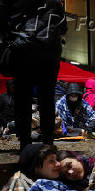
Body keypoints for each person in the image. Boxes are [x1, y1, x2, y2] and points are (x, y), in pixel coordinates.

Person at [0, 0, 67, 151]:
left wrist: (10, 41)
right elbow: (63, 27)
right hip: (49, 55)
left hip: (23, 53)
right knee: (47, 99)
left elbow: (3, 21)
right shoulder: (55, 3)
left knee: (22, 99)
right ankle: (48, 142)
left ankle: (25, 143)